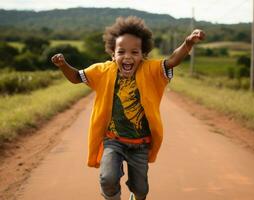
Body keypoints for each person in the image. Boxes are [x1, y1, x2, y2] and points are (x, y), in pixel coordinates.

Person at [51, 16, 205, 200]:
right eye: (121, 51)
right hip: (113, 141)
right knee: (108, 178)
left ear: (143, 54)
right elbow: (77, 77)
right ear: (112, 54)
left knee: (141, 190)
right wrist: (63, 65)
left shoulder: (151, 70)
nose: (128, 57)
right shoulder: (102, 71)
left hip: (140, 144)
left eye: (134, 52)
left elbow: (172, 60)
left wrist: (187, 44)